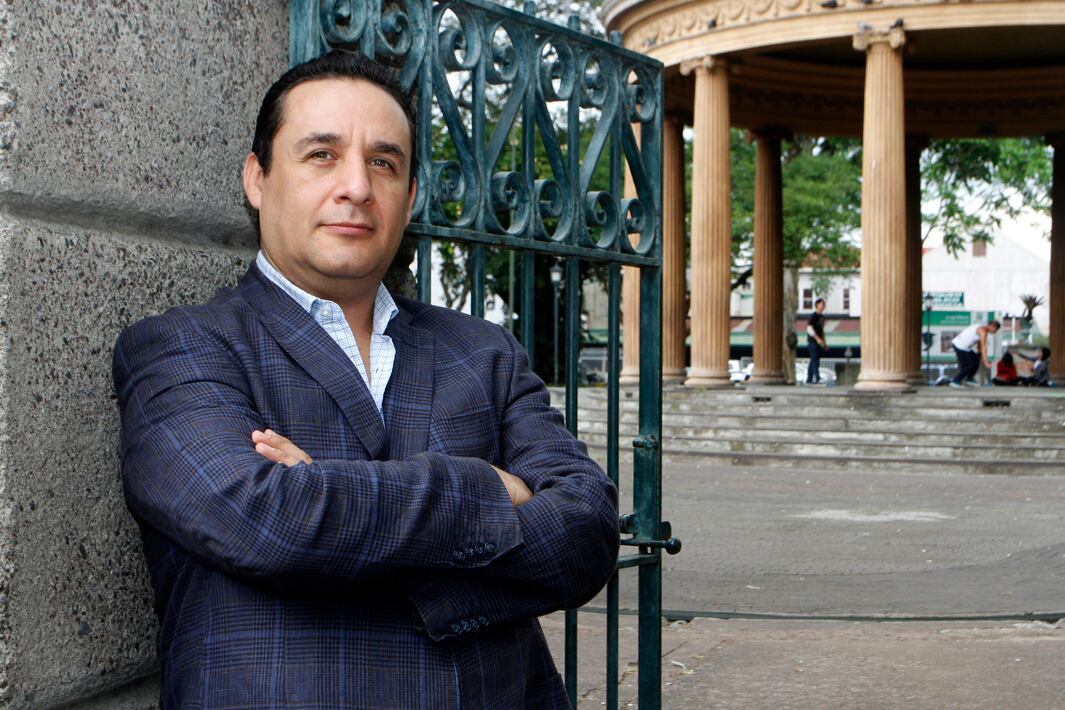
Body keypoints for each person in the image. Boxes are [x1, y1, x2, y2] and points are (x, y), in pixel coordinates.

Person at [112, 50, 619, 709]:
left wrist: (328, 498)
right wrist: (492, 488)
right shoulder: (182, 347)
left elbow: (586, 534)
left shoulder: (483, 352)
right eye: (321, 154)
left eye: (383, 162)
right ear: (258, 178)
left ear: (409, 196)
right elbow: (266, 521)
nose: (356, 186)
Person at [949, 319, 1000, 387]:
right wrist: (985, 361)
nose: (995, 331)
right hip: (959, 345)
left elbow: (980, 346)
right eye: (996, 329)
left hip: (965, 347)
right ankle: (956, 381)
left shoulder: (982, 328)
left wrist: (980, 356)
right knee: (969, 364)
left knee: (976, 360)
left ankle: (969, 379)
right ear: (992, 326)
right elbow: (983, 346)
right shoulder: (983, 330)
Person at [805, 297, 827, 385]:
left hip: (819, 342)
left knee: (814, 360)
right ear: (817, 305)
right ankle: (817, 378)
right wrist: (817, 339)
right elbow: (809, 329)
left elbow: (822, 331)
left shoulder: (822, 317)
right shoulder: (813, 316)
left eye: (824, 304)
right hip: (813, 342)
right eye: (822, 304)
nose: (823, 306)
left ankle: (809, 379)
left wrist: (824, 342)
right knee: (815, 360)